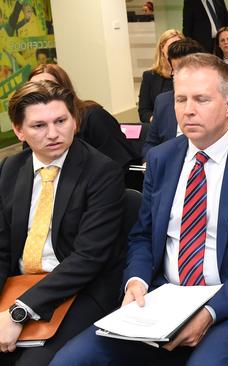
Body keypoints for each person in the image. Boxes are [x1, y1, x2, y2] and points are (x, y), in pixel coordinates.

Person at [51, 52, 228, 366]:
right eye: (181, 99)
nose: (188, 110)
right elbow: (143, 236)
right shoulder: (162, 158)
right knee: (71, 360)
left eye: (201, 99)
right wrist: (136, 281)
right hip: (162, 296)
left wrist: (209, 312)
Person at [0, 81, 125, 365]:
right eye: (39, 126)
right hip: (19, 284)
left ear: (75, 120)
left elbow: (88, 258)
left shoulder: (101, 171)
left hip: (80, 289)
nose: (54, 134)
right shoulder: (10, 170)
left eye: (60, 121)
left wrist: (20, 311)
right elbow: (2, 248)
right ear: (19, 130)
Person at [142, 39, 228, 158]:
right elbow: (150, 144)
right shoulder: (162, 101)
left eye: (202, 100)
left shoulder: (226, 94)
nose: (188, 110)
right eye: (177, 69)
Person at [29, 64, 138, 171]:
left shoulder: (94, 117)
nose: (40, 93)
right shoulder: (31, 127)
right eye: (33, 89)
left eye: (61, 121)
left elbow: (119, 163)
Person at [138, 29, 183, 123]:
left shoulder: (190, 74)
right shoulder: (149, 76)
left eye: (179, 45)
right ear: (162, 48)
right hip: (160, 126)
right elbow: (144, 112)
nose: (175, 50)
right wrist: (158, 122)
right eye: (172, 46)